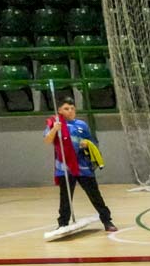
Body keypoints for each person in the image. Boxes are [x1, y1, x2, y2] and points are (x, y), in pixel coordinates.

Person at [45, 100, 116, 233]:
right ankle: (63, 223)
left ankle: (107, 220)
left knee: (95, 195)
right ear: (59, 110)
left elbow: (92, 141)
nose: (70, 111)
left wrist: (86, 143)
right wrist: (55, 129)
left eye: (72, 108)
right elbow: (47, 140)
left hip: (82, 166)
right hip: (64, 168)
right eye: (66, 108)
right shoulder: (54, 124)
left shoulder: (81, 125)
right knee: (65, 197)